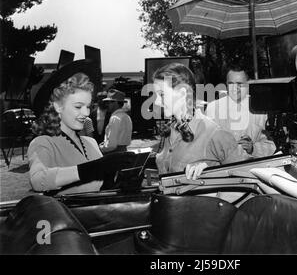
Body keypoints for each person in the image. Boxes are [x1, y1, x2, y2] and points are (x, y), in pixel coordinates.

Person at [28, 61, 136, 195]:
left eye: (88, 106)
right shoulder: (44, 143)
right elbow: (38, 181)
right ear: (58, 106)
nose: (86, 113)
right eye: (78, 106)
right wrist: (92, 169)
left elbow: (99, 188)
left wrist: (121, 184)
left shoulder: (90, 143)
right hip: (65, 214)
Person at [152, 62, 249, 180]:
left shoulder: (213, 133)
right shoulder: (170, 132)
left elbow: (248, 170)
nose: (156, 102)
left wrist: (211, 170)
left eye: (161, 94)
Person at [206, 64, 276, 158]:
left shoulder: (260, 111)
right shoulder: (212, 109)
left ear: (248, 84)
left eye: (240, 84)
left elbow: (272, 146)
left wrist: (253, 148)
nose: (235, 88)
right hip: (221, 169)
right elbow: (203, 145)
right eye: (231, 83)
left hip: (250, 169)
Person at [99, 89, 132, 154]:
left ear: (116, 103)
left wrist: (101, 148)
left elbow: (112, 145)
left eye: (109, 102)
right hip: (123, 152)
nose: (107, 104)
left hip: (114, 154)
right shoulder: (126, 116)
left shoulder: (115, 118)